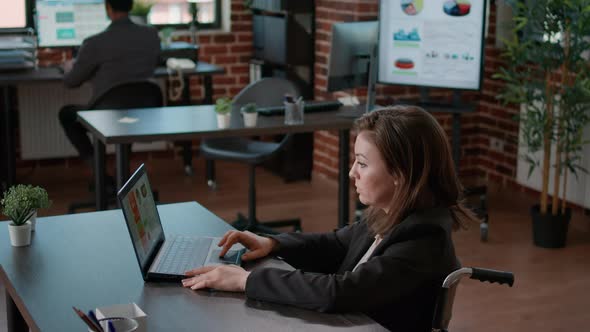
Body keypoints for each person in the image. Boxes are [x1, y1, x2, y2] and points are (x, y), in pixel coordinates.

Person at [182, 106, 477, 332]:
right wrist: (272, 243)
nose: (352, 173)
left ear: (401, 174)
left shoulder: (423, 239)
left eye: (362, 163)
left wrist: (247, 281)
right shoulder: (392, 213)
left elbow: (340, 292)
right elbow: (336, 244)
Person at [58, 0, 160, 175]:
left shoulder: (94, 42)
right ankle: (121, 176)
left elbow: (71, 82)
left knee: (67, 114)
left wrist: (69, 68)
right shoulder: (151, 35)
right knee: (128, 111)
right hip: (146, 111)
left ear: (108, 8)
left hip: (106, 115)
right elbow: (155, 62)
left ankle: (102, 175)